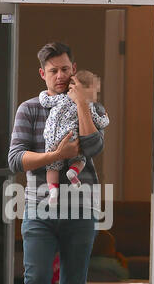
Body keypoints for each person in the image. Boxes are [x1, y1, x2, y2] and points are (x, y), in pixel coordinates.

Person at [8, 42, 108, 284]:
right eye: (54, 70)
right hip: (39, 206)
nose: (62, 76)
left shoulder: (88, 104)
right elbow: (16, 158)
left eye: (66, 69)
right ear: (43, 74)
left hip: (81, 209)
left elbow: (94, 146)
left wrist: (81, 102)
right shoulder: (30, 110)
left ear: (74, 68)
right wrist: (55, 153)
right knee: (35, 283)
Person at [39, 70, 109, 205]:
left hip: (50, 137)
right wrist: (106, 119)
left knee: (52, 168)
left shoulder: (60, 98)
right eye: (95, 91)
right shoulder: (89, 106)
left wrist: (43, 93)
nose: (96, 96)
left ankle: (53, 191)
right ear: (84, 90)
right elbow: (99, 121)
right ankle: (73, 172)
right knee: (80, 158)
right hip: (70, 137)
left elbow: (45, 100)